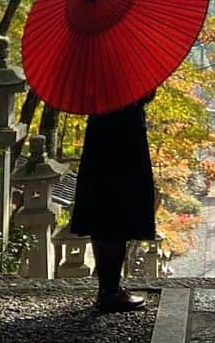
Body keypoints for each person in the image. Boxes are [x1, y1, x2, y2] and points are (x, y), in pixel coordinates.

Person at [70, 94, 156, 313]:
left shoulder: (91, 67)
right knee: (119, 209)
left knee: (101, 209)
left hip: (99, 133)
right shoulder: (128, 67)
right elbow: (145, 94)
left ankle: (107, 288)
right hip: (126, 137)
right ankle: (111, 291)